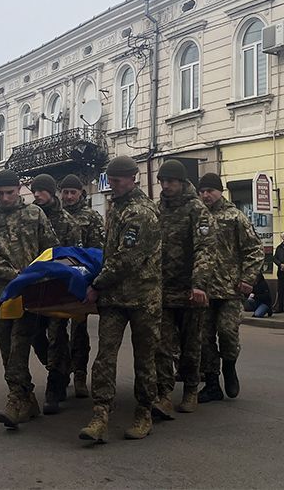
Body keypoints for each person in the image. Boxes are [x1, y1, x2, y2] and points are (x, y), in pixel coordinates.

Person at [79, 155, 162, 443]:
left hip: (142, 298)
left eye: (116, 181)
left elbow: (127, 258)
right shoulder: (118, 207)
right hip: (115, 299)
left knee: (144, 359)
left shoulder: (141, 212)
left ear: (133, 177)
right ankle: (100, 414)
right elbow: (110, 252)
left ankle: (144, 413)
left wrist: (97, 284)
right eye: (110, 180)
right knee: (104, 358)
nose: (111, 185)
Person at [0, 170, 56, 430]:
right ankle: (28, 398)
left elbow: (50, 247)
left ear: (19, 190)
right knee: (6, 349)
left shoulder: (35, 214)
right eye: (0, 194)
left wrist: (37, 274)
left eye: (9, 192)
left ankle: (16, 401)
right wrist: (14, 274)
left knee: (20, 344)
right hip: (2, 293)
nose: (5, 198)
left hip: (30, 293)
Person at [154, 160, 216, 418]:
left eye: (171, 181)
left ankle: (191, 388)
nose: (166, 186)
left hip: (191, 291)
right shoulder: (158, 210)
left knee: (191, 345)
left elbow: (205, 248)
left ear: (181, 182)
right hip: (163, 290)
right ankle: (164, 395)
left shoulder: (197, 210)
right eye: (163, 181)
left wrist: (199, 283)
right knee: (162, 345)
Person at [197, 172, 260, 403]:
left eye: (210, 191)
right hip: (203, 289)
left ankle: (230, 368)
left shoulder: (235, 217)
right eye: (202, 191)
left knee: (227, 333)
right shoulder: (197, 216)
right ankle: (212, 383)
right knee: (204, 338)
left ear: (219, 191)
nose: (206, 195)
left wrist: (248, 279)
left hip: (230, 289)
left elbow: (254, 249)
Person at [29, 173, 82, 416]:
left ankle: (54, 387)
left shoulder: (67, 222)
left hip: (58, 288)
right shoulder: (29, 218)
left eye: (41, 190)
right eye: (34, 191)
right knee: (35, 335)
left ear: (51, 192)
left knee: (57, 335)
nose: (37, 195)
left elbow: (75, 256)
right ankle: (61, 370)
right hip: (34, 287)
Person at [59, 173, 104, 399]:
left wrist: (92, 282)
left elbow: (97, 250)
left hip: (81, 280)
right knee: (55, 332)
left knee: (78, 332)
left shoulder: (91, 217)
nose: (68, 196)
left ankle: (79, 375)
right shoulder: (54, 216)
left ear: (80, 193)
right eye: (65, 192)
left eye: (72, 192)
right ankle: (59, 373)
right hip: (58, 281)